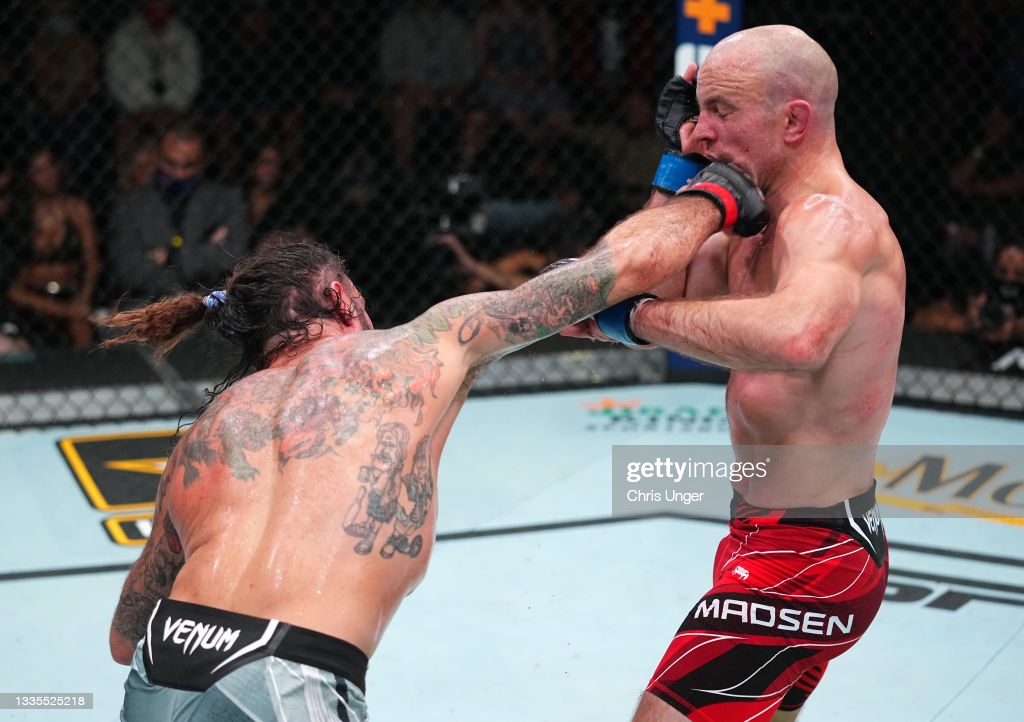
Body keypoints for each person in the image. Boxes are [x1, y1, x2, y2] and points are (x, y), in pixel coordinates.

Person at [102, 155, 768, 719]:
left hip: (161, 670)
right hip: (282, 675)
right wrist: (711, 192)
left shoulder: (207, 433)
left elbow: (124, 637)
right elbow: (619, 269)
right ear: (339, 296)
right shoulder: (421, 343)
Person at [566, 25, 905, 721]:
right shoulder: (754, 228)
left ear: (793, 122)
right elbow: (630, 283)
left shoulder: (832, 222)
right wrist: (678, 167)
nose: (704, 128)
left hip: (811, 553)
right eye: (698, 111)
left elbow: (797, 337)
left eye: (722, 110)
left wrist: (638, 321)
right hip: (772, 535)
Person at [106, 115, 250, 304]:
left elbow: (235, 256)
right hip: (149, 306)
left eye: (188, 166)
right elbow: (128, 270)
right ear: (158, 156)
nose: (179, 174)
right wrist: (201, 253)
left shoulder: (227, 200)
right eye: (171, 164)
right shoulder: (130, 204)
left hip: (209, 307)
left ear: (203, 161)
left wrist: (170, 256)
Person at [6, 145, 100, 349]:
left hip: (69, 292)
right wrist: (65, 310)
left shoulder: (76, 208)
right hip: (32, 299)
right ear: (28, 176)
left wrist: (84, 298)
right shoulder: (19, 213)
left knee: (81, 326)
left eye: (51, 167)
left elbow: (92, 260)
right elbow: (13, 288)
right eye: (39, 170)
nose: (48, 175)